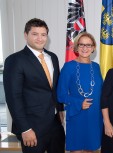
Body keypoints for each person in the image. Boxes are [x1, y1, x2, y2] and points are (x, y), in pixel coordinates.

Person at [3, 18, 65, 153]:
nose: (40, 38)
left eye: (43, 34)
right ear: (26, 35)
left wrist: (60, 109)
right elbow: (14, 98)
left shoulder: (52, 57)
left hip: (55, 124)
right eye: (35, 34)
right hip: (32, 126)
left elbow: (55, 87)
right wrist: (25, 129)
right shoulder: (15, 60)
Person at [57, 32, 103, 153]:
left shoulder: (97, 67)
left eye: (88, 45)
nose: (85, 48)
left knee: (91, 149)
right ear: (76, 47)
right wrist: (79, 103)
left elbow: (100, 92)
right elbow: (61, 95)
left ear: (93, 48)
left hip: (94, 116)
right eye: (81, 45)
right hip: (77, 115)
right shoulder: (68, 66)